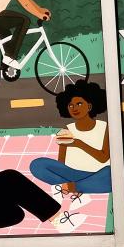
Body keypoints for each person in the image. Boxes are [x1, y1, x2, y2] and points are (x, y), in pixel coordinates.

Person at [30, 80, 112, 210]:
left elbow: (103, 158)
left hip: (99, 173)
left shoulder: (105, 127)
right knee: (37, 165)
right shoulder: (67, 130)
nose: (75, 108)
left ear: (89, 106)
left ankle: (74, 187)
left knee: (111, 175)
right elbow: (61, 162)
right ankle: (76, 186)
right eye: (71, 105)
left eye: (79, 103)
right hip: (72, 173)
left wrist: (78, 143)